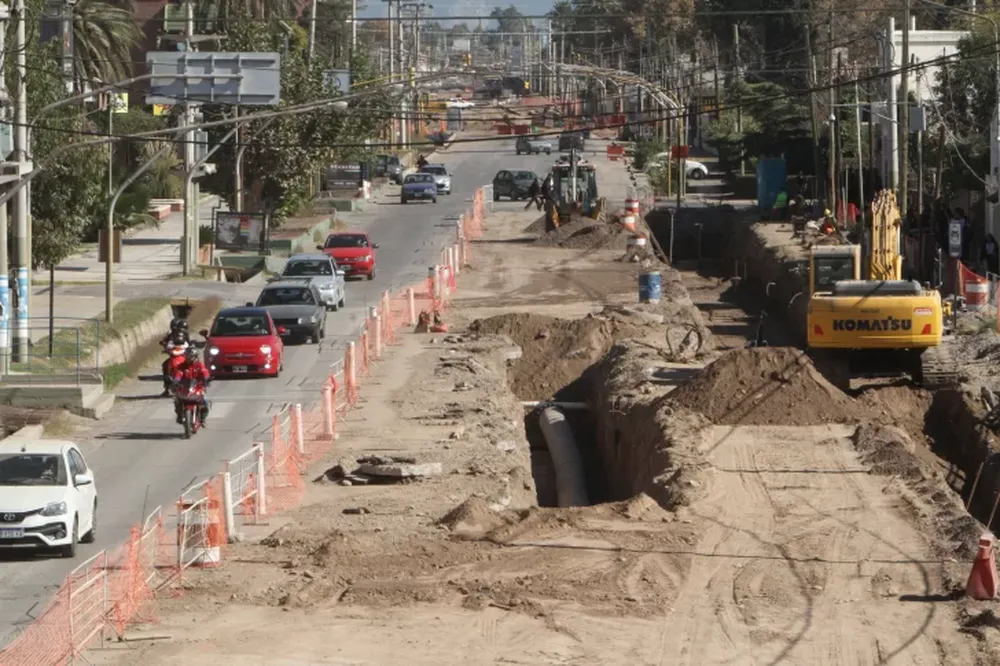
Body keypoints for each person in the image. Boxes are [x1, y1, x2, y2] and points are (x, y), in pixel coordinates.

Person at [171, 347, 211, 426]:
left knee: (205, 401)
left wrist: (206, 379)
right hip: (185, 388)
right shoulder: (182, 366)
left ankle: (203, 419)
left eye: (191, 356)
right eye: (187, 356)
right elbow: (178, 374)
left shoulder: (199, 365)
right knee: (177, 400)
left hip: (198, 387)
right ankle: (179, 415)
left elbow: (204, 371)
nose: (189, 358)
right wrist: (175, 381)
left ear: (195, 356)